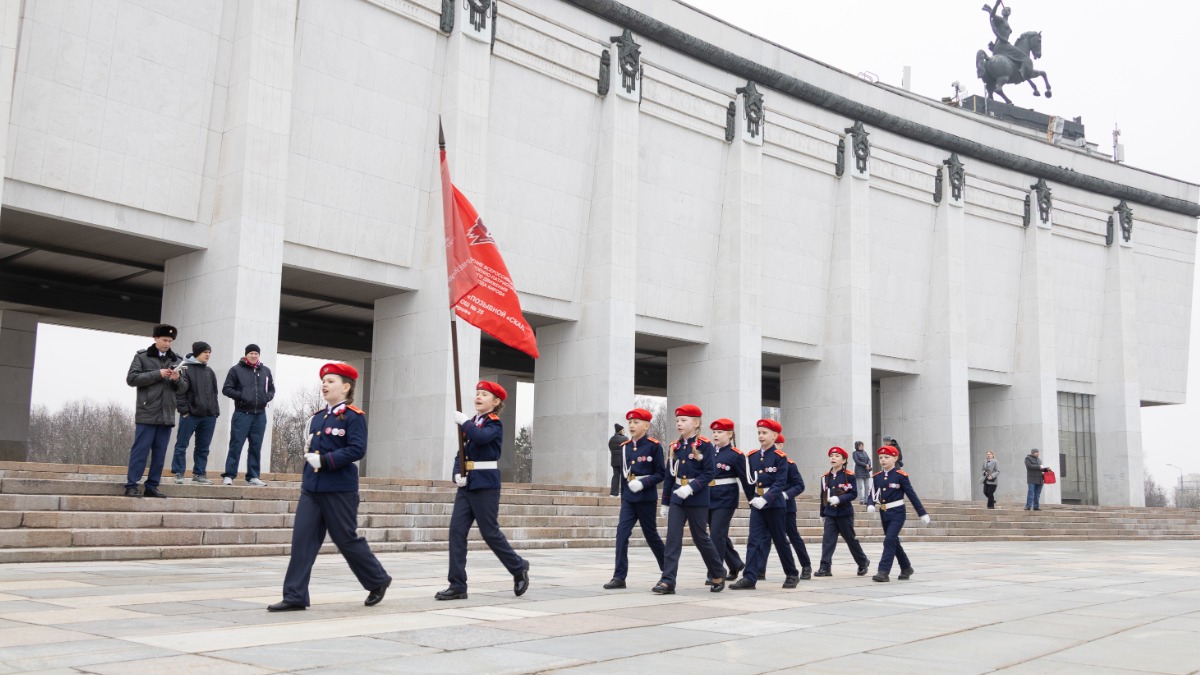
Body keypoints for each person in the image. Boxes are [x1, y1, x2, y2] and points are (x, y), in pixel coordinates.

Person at [267, 363, 391, 611]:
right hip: (312, 489)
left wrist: (326, 460)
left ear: (346, 387)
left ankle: (377, 579)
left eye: (331, 381)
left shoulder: (354, 416)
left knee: (345, 539)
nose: (325, 384)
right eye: (324, 380)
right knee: (302, 541)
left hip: (339, 488)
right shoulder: (317, 417)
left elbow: (357, 449)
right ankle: (295, 596)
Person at [436, 381, 530, 601]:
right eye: (477, 393)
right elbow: (461, 453)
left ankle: (518, 566)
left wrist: (465, 422)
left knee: (490, 532)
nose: (478, 397)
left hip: (485, 485)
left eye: (484, 394)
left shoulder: (493, 424)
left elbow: (480, 438)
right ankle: (457, 584)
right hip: (467, 485)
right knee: (456, 533)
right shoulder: (473, 423)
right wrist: (457, 473)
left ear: (495, 402)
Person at [654, 404, 726, 594]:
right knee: (672, 539)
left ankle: (718, 572)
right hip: (678, 497)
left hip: (697, 498)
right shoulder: (674, 446)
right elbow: (670, 476)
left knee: (700, 538)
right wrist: (665, 502)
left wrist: (692, 488)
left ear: (696, 423)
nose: (679, 423)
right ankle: (667, 581)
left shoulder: (705, 445)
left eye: (684, 420)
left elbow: (710, 472)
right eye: (677, 420)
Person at [730, 419, 799, 590]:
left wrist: (766, 498)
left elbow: (780, 483)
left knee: (780, 540)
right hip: (757, 504)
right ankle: (749, 577)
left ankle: (791, 574)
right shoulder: (752, 457)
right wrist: (752, 498)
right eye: (759, 433)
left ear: (775, 436)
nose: (761, 436)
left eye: (764, 433)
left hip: (774, 504)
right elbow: (748, 481)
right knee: (753, 540)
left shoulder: (780, 458)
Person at [604, 408, 666, 590]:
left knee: (651, 535)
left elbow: (661, 473)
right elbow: (624, 476)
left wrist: (644, 483)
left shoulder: (654, 446)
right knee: (621, 534)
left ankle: (667, 571)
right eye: (630, 422)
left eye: (636, 422)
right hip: (629, 499)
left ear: (646, 425)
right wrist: (624, 497)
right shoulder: (625, 448)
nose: (631, 425)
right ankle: (619, 576)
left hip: (646, 497)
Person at [123, 324, 188, 498]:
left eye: (170, 341)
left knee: (160, 454)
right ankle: (131, 485)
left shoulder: (178, 360)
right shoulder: (142, 357)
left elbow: (183, 388)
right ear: (156, 339)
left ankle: (152, 486)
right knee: (140, 451)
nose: (167, 343)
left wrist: (176, 379)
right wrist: (157, 374)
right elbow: (132, 379)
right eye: (164, 340)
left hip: (167, 414)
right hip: (147, 412)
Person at [865, 445, 930, 582]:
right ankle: (906, 567)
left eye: (886, 457)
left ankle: (883, 571)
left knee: (888, 540)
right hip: (884, 512)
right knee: (893, 541)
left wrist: (922, 513)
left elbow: (911, 495)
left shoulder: (901, 476)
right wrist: (870, 504)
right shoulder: (877, 477)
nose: (883, 460)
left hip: (897, 513)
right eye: (881, 458)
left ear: (895, 458)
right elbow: (872, 493)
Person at [754, 434, 812, 584]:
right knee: (765, 538)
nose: (778, 447)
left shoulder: (789, 464)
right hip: (767, 504)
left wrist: (786, 495)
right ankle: (760, 569)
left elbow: (800, 485)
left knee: (792, 536)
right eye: (776, 444)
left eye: (780, 444)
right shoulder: (763, 461)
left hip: (785, 505)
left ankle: (805, 565)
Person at [221, 344, 275, 486]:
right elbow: (226, 389)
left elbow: (271, 389)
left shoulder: (265, 371)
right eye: (251, 353)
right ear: (246, 355)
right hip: (242, 414)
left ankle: (253, 476)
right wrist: (243, 396)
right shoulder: (236, 370)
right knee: (236, 445)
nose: (253, 355)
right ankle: (229, 475)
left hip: (260, 415)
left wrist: (267, 397)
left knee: (256, 447)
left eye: (256, 353)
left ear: (259, 355)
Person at [815, 447, 870, 577]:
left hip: (844, 513)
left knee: (851, 540)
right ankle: (825, 567)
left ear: (844, 460)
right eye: (831, 456)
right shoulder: (825, 477)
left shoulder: (849, 476)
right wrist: (822, 513)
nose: (833, 458)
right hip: (830, 514)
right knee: (828, 540)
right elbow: (823, 495)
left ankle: (863, 562)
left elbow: (853, 494)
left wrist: (839, 499)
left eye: (837, 456)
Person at [707, 418, 750, 584]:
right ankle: (735, 563)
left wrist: (753, 500)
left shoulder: (736, 455)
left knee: (716, 534)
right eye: (714, 432)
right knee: (720, 535)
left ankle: (715, 572)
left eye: (720, 432)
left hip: (726, 499)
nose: (716, 435)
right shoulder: (708, 452)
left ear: (730, 434)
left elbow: (746, 481)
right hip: (708, 498)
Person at [171, 341, 220, 485]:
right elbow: (179, 393)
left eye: (209, 352)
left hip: (209, 416)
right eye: (205, 352)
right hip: (190, 415)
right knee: (182, 444)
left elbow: (214, 393)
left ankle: (199, 474)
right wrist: (184, 411)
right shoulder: (184, 368)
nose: (208, 355)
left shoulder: (209, 371)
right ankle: (179, 473)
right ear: (197, 352)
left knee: (203, 448)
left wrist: (215, 412)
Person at [608, 423, 627, 497]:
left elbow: (610, 448)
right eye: (623, 430)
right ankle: (622, 492)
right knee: (623, 476)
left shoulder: (611, 439)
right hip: (623, 461)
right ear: (620, 430)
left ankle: (613, 493)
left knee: (615, 476)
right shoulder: (625, 439)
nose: (624, 431)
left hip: (614, 461)